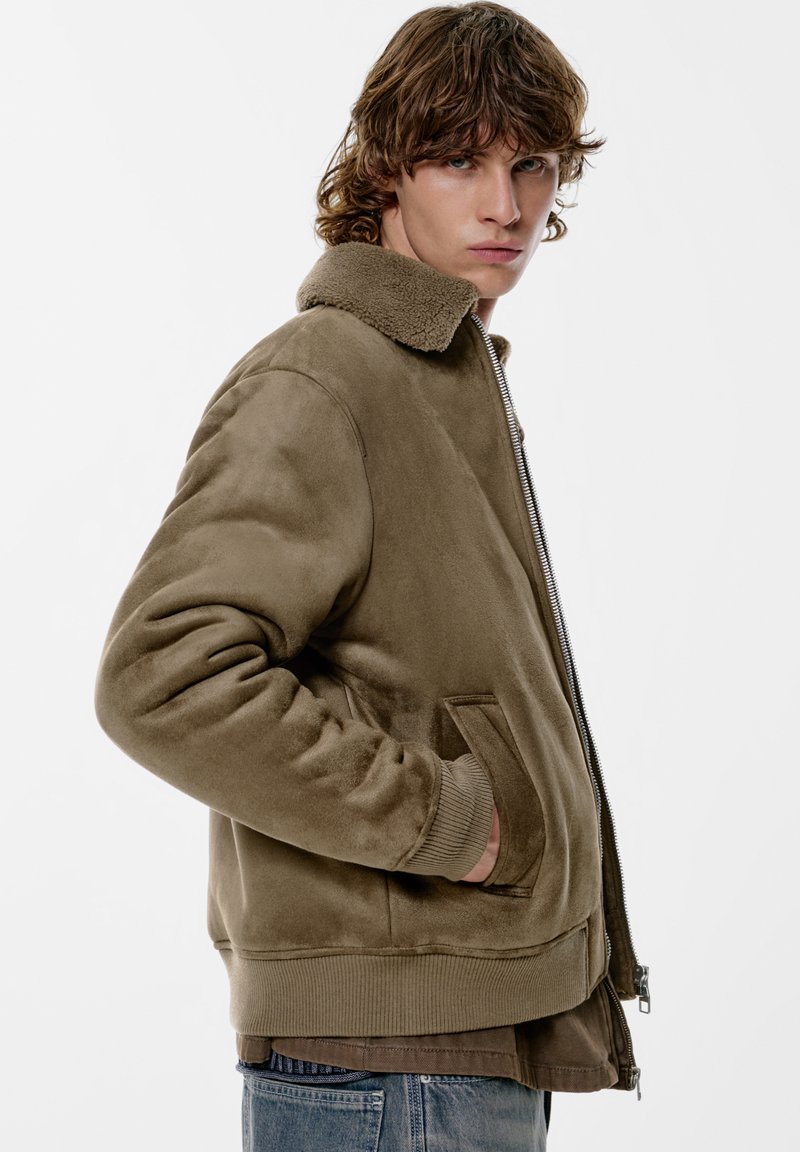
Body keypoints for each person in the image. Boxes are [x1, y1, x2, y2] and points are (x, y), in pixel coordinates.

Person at [94, 3, 649, 1148]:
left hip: (456, 1039)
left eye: (531, 165)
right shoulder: (325, 376)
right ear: (386, 167)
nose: (506, 207)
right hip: (390, 1067)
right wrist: (450, 822)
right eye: (461, 162)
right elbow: (161, 676)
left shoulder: (441, 374)